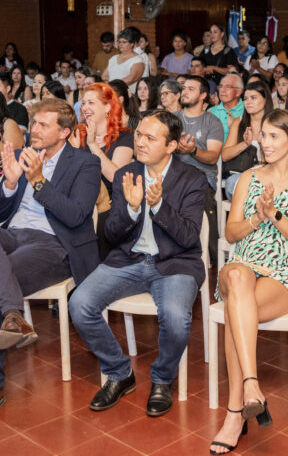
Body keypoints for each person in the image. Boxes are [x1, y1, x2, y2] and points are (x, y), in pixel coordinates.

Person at [0, 99, 100, 428]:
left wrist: (38, 182)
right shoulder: (20, 158)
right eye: (33, 123)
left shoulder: (84, 164)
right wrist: (8, 183)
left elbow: (77, 216)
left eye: (43, 125)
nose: (33, 129)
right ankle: (14, 315)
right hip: (13, 235)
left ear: (64, 132)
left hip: (53, 245)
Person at [70, 110, 207, 417]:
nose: (140, 142)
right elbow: (111, 233)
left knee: (175, 317)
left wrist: (158, 205)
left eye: (150, 138)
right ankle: (119, 373)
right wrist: (132, 209)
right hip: (128, 260)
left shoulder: (192, 179)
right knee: (79, 304)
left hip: (175, 263)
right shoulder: (124, 174)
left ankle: (161, 379)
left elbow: (187, 236)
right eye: (139, 135)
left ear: (171, 146)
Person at [209, 110, 288, 454]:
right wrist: (255, 217)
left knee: (236, 312)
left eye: (275, 136)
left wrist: (273, 213)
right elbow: (230, 233)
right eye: (264, 135)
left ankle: (235, 414)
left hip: (285, 273)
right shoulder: (248, 177)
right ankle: (251, 385)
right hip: (242, 265)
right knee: (237, 273)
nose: (266, 143)